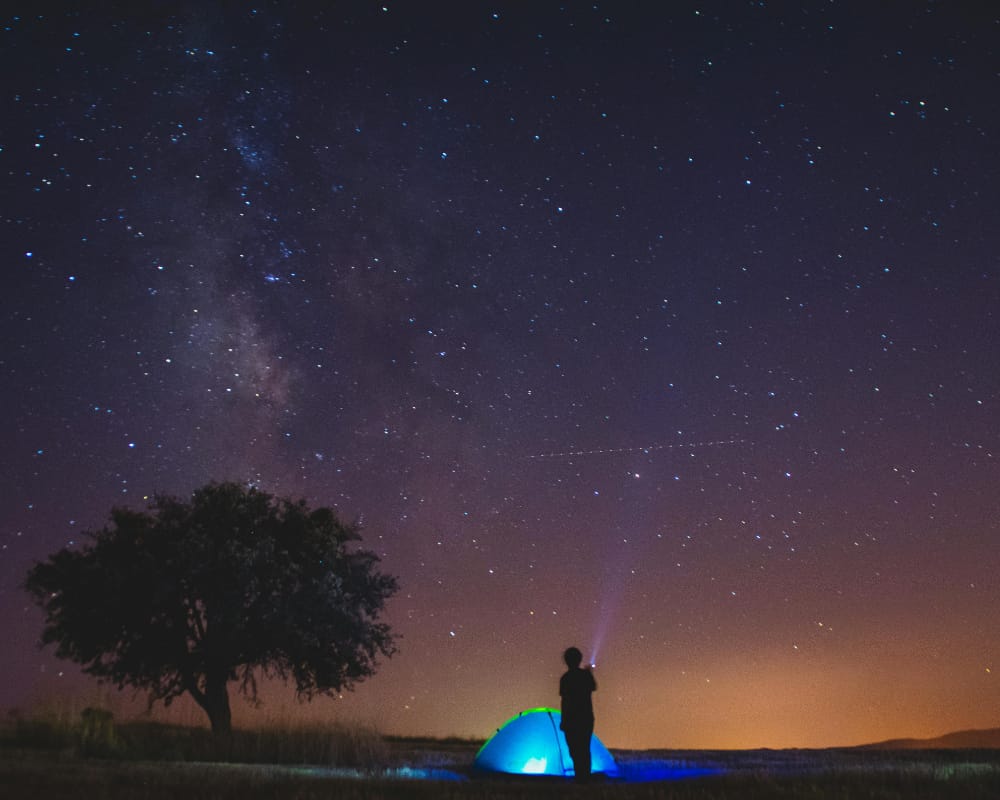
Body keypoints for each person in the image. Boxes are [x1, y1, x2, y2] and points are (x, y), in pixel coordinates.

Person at [559, 646, 596, 780]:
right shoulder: (585, 676)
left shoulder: (565, 678)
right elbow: (593, 687)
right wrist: (589, 673)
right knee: (584, 748)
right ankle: (584, 777)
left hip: (571, 720)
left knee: (574, 749)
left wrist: (563, 720)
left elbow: (565, 701)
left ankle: (580, 777)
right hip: (586, 718)